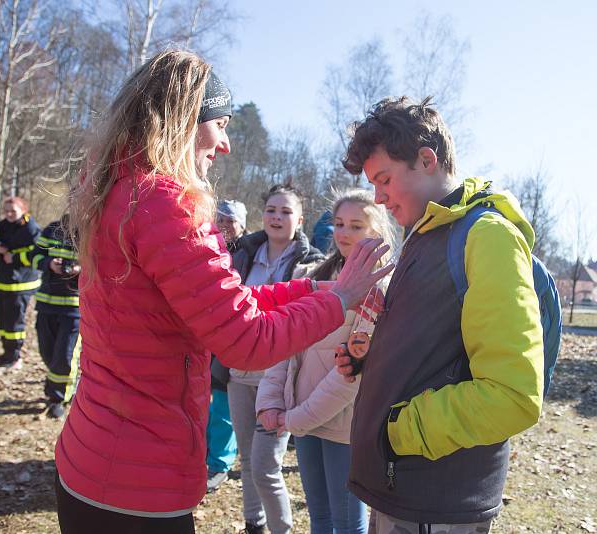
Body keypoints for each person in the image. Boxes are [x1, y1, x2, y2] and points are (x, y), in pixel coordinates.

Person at [54, 49, 392, 534]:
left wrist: (320, 288)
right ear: (183, 121)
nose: (227, 143)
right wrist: (338, 301)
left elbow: (227, 303)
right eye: (220, 123)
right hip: (138, 482)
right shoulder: (165, 204)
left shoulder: (121, 191)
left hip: (92, 457)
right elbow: (245, 341)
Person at [336, 96, 544, 533]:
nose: (378, 196)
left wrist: (398, 433)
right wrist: (369, 361)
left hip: (435, 501)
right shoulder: (424, 234)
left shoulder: (487, 237)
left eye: (385, 179)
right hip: (400, 489)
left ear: (427, 160)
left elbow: (514, 394)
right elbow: (432, 352)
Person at [256, 189, 398, 534]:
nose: (345, 233)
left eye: (356, 225)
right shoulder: (312, 276)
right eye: (338, 224)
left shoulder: (380, 292)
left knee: (348, 523)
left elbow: (352, 375)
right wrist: (272, 403)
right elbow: (285, 344)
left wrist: (296, 418)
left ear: (376, 231)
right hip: (303, 421)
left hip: (345, 429)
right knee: (318, 518)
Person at [227, 184, 326, 534]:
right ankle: (254, 524)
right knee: (247, 457)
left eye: (286, 212)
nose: (277, 217)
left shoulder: (311, 263)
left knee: (266, 465)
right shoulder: (242, 254)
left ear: (299, 219)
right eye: (271, 210)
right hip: (238, 374)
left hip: (280, 376)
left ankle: (281, 529)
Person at [206, 198, 248, 493]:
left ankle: (218, 464)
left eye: (229, 220)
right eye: (219, 218)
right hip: (202, 334)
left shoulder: (248, 253)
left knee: (222, 405)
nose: (223, 224)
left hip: (230, 337)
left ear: (242, 226)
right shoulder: (205, 246)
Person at [0, 197, 42, 369]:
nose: (9, 214)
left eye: (13, 211)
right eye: (6, 210)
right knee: (3, 322)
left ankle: (15, 356)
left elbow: (37, 253)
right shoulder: (2, 225)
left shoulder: (31, 229)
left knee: (15, 322)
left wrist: (14, 258)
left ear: (23, 210)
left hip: (21, 284)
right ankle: (6, 353)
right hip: (3, 283)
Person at [31, 215, 81, 419]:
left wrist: (80, 268)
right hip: (46, 303)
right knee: (47, 352)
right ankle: (61, 386)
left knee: (64, 356)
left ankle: (58, 398)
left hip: (73, 307)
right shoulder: (51, 229)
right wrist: (49, 264)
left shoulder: (90, 230)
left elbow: (102, 261)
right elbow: (33, 257)